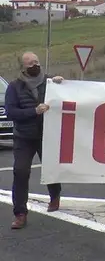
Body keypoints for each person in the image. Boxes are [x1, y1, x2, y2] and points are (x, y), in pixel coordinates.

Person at [5, 52, 64, 229]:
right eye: (30, 63)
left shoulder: (50, 82)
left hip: (47, 134)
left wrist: (62, 84)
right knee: (20, 172)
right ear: (23, 67)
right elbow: (11, 112)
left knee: (51, 168)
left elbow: (64, 99)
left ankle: (55, 196)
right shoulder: (14, 87)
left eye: (36, 62)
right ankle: (20, 213)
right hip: (23, 137)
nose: (35, 65)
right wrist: (33, 111)